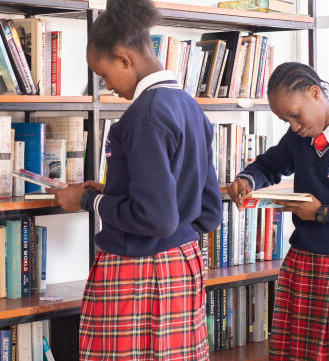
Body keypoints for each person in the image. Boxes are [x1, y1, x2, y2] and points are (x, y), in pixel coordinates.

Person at [48, 0, 222, 358]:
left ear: (124, 59)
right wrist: (114, 192)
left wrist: (85, 200)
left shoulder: (145, 115)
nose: (108, 86)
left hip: (140, 270)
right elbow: (208, 211)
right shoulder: (189, 106)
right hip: (182, 264)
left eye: (105, 75)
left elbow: (155, 217)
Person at [228, 62, 329, 360]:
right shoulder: (298, 137)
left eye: (295, 115)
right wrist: (247, 179)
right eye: (285, 120)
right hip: (302, 264)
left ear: (315, 93)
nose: (293, 126)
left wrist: (323, 213)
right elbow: (269, 165)